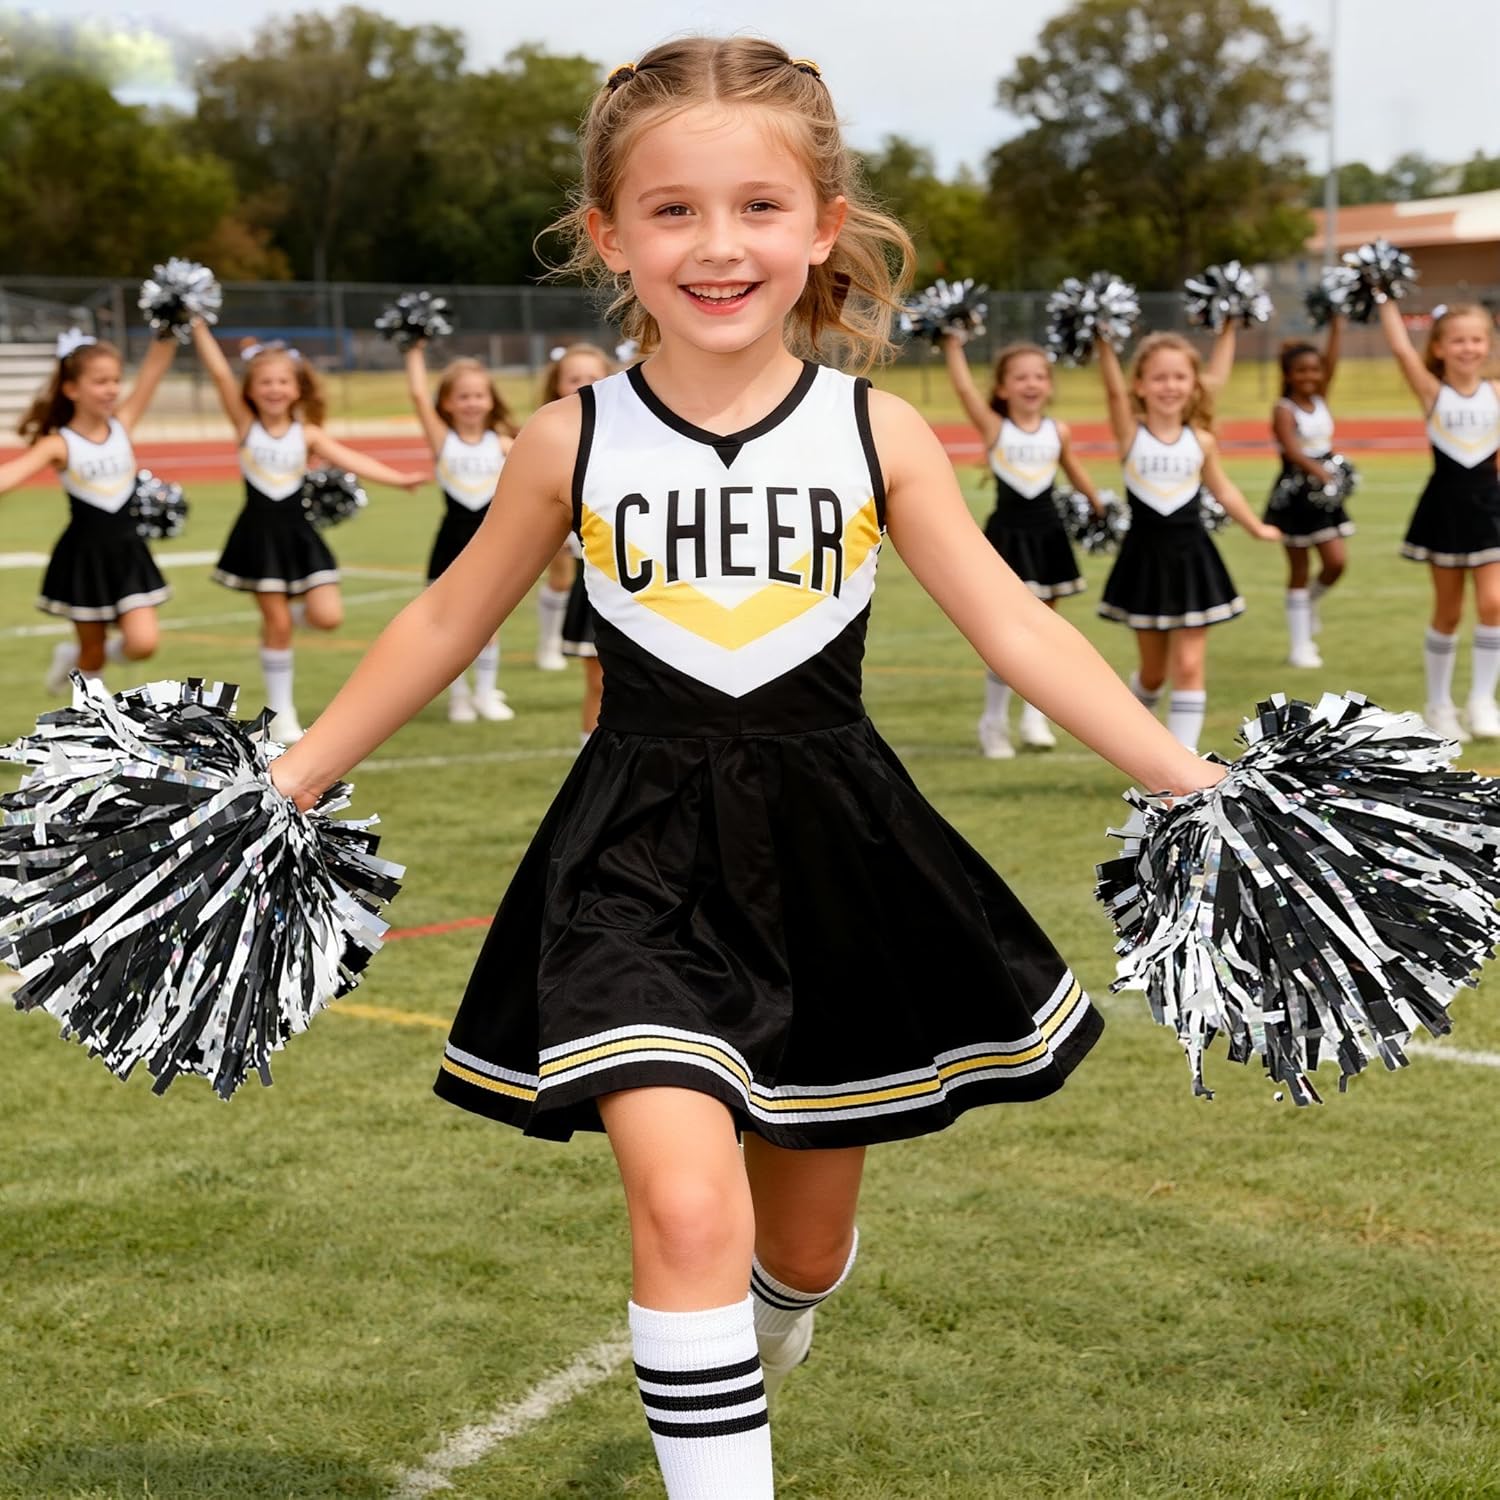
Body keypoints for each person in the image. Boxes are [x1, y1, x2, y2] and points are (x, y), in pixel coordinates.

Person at [268, 38, 1224, 1498]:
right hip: (633, 857)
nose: (719, 246)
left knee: (797, 1248)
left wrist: (1188, 777)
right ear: (608, 236)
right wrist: (286, 783)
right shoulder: (567, 438)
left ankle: (776, 1322)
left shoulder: (875, 430)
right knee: (685, 1207)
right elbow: (451, 616)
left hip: (835, 849)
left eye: (760, 208)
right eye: (672, 212)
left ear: (824, 224)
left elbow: (1016, 628)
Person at [190, 323, 425, 742]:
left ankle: (279, 626)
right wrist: (198, 328)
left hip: (300, 536)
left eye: (283, 381)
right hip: (258, 537)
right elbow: (221, 374)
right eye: (265, 382)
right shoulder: (246, 426)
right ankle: (282, 713)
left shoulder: (308, 433)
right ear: (250, 389)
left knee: (327, 616)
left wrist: (399, 479)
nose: (274, 389)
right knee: (278, 625)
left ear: (297, 388)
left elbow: (349, 458)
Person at [1095, 328, 1280, 750]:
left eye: (1180, 377)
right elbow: (1111, 394)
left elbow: (1225, 489)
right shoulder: (1131, 434)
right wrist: (1104, 343)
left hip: (1193, 556)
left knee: (1191, 664)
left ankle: (1183, 762)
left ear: (1195, 384)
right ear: (1139, 385)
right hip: (1145, 558)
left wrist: (1256, 526)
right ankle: (1139, 736)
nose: (1170, 386)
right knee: (1154, 672)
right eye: (1159, 377)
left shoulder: (1202, 440)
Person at [941, 332, 1102, 758]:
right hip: (1007, 538)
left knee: (1045, 631)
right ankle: (993, 722)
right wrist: (953, 346)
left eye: (1039, 377)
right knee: (1006, 633)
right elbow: (962, 389)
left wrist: (1099, 505)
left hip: (1048, 535)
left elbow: (1075, 471)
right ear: (1002, 388)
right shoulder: (996, 427)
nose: (1031, 384)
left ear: (1049, 385)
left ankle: (1035, 715)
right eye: (1020, 378)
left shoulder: (1058, 430)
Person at [1, 330, 178, 692]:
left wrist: (171, 323)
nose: (112, 389)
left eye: (115, 380)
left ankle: (74, 660)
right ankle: (89, 726)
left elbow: (153, 370)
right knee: (92, 654)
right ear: (71, 389)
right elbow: (9, 476)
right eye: (100, 382)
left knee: (143, 643)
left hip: (129, 552)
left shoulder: (122, 425)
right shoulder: (59, 443)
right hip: (84, 556)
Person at [1378, 299, 1500, 741]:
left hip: (1490, 505)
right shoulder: (1433, 392)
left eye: (1476, 339)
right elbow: (1402, 351)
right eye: (1458, 340)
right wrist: (1384, 298)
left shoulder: (1496, 391)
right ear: (1441, 347)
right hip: (1447, 507)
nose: (1468, 348)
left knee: (1494, 603)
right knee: (1448, 611)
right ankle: (1439, 704)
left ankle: (1483, 701)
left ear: (1488, 345)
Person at [403, 340, 518, 722]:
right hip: (451, 539)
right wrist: (413, 347)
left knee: (488, 622)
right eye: (462, 396)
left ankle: (486, 693)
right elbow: (418, 393)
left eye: (478, 395)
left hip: (491, 542)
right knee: (449, 624)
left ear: (491, 400)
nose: (471, 402)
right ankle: (458, 697)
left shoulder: (504, 444)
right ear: (448, 403)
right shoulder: (444, 441)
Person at [537, 343, 616, 740]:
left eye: (594, 376)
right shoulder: (547, 443)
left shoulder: (636, 437)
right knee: (601, 683)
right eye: (574, 378)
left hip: (650, 583)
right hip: (594, 578)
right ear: (556, 386)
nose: (585, 386)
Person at [1265, 319, 1349, 669]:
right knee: (1299, 569)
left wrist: (1337, 323)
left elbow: (1332, 358)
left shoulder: (1320, 397)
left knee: (1336, 562)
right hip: (1295, 493)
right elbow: (1292, 450)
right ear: (1288, 374)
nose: (1310, 376)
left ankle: (1311, 604)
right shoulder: (1284, 409)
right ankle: (1301, 646)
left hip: (1325, 490)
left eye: (1315, 370)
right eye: (1301, 371)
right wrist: (1319, 470)